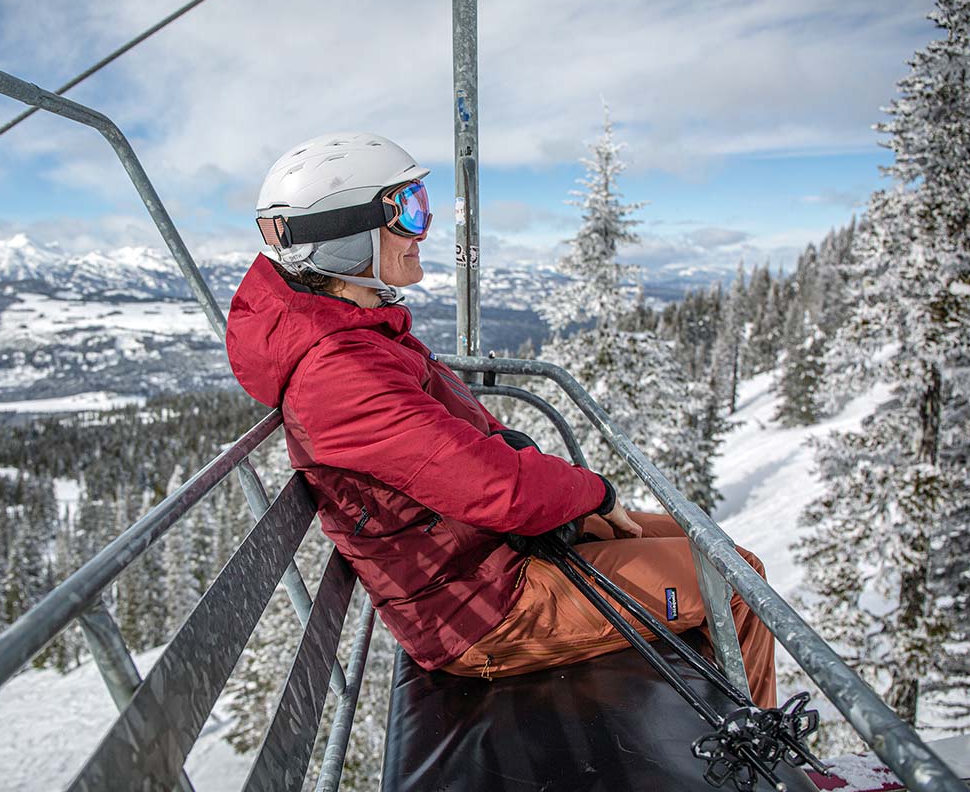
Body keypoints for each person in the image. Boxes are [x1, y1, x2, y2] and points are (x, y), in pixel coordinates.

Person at [225, 132, 776, 708]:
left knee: (723, 554)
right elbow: (494, 486)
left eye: (422, 203)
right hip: (481, 609)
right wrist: (592, 494)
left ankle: (725, 725)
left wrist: (560, 494)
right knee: (738, 584)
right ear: (340, 235)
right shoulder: (340, 372)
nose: (425, 227)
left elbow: (460, 455)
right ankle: (765, 764)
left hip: (489, 556)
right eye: (405, 209)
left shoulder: (356, 336)